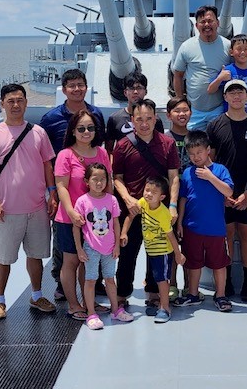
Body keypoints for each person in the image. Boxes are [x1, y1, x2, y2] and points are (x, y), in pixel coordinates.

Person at [0, 83, 58, 320]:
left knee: (35, 256)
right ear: (2, 103)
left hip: (36, 208)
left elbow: (47, 165)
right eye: (11, 100)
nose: (16, 105)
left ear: (26, 102)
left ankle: (36, 296)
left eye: (20, 100)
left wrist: (52, 194)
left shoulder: (38, 133)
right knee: (4, 259)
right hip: (7, 209)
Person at [39, 68, 106, 301]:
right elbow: (46, 158)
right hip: (64, 189)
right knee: (64, 247)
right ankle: (62, 284)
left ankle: (89, 289)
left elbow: (99, 151)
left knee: (91, 248)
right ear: (64, 89)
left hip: (91, 197)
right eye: (72, 85)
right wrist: (53, 192)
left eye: (81, 85)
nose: (77, 89)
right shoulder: (50, 119)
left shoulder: (95, 114)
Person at [112, 98, 180, 308]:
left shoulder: (167, 144)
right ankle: (122, 294)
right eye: (139, 119)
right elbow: (117, 177)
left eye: (149, 118)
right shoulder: (123, 145)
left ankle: (152, 292)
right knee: (127, 254)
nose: (144, 123)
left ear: (155, 118)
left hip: (159, 211)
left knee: (158, 252)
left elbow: (174, 176)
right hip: (132, 210)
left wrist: (173, 205)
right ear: (132, 120)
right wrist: (127, 198)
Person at [207, 79, 247, 302]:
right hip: (223, 193)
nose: (236, 96)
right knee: (227, 236)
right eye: (231, 93)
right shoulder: (214, 125)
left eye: (240, 92)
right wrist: (222, 194)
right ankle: (228, 280)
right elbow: (210, 161)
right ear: (225, 97)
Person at [54, 108, 111, 320]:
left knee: (90, 261)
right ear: (73, 131)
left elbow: (109, 183)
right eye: (81, 128)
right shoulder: (65, 155)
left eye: (90, 128)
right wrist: (70, 211)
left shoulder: (102, 153)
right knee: (71, 261)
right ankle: (73, 304)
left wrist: (110, 209)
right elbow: (62, 187)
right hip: (71, 219)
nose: (86, 132)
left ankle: (89, 301)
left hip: (96, 219)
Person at [174, 130, 234, 312]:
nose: (195, 157)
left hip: (215, 229)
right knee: (193, 263)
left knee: (219, 264)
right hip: (192, 227)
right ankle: (193, 294)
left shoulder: (220, 170)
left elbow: (229, 191)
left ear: (208, 150)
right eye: (191, 154)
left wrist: (210, 177)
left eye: (199, 152)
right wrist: (179, 223)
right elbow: (183, 199)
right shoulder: (187, 173)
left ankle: (221, 295)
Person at [73, 163, 134, 330]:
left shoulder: (111, 200)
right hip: (91, 248)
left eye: (103, 179)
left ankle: (115, 310)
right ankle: (91, 313)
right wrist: (79, 249)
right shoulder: (82, 201)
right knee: (91, 280)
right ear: (87, 181)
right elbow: (76, 227)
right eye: (95, 179)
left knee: (109, 279)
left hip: (109, 248)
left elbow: (115, 223)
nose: (99, 183)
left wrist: (117, 246)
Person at [120, 176, 186, 323]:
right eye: (147, 190)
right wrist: (124, 233)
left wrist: (177, 254)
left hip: (162, 252)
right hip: (151, 250)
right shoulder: (143, 202)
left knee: (162, 280)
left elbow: (171, 236)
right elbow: (130, 216)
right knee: (157, 278)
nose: (148, 194)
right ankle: (161, 305)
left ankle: (165, 308)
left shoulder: (163, 214)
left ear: (162, 197)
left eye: (153, 192)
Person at [173, 5, 231, 130]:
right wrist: (181, 102)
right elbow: (178, 75)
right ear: (196, 25)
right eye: (202, 22)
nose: (206, 25)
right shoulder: (186, 47)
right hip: (194, 112)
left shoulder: (228, 46)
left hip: (219, 109)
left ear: (217, 23)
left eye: (210, 21)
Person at [165, 95, 193, 299]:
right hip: (170, 200)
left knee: (190, 244)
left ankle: (190, 285)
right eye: (177, 111)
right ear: (169, 115)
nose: (182, 114)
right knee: (171, 243)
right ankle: (172, 282)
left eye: (185, 110)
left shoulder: (196, 138)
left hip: (192, 199)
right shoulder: (164, 140)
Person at [105, 72, 164, 155]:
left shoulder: (155, 120)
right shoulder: (115, 119)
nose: (135, 92)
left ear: (145, 91)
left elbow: (161, 145)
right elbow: (109, 150)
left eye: (139, 88)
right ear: (125, 92)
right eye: (131, 88)